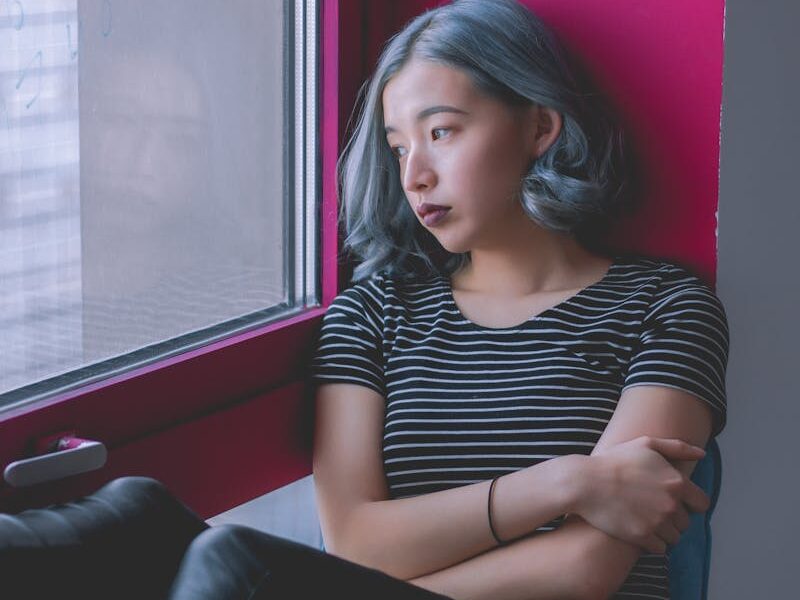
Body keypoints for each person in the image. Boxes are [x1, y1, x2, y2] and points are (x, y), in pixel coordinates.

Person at [310, 0, 728, 599]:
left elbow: (585, 569)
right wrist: (567, 482)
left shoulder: (666, 307)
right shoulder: (370, 315)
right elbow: (352, 542)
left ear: (539, 127)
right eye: (399, 147)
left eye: (441, 131)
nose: (414, 175)